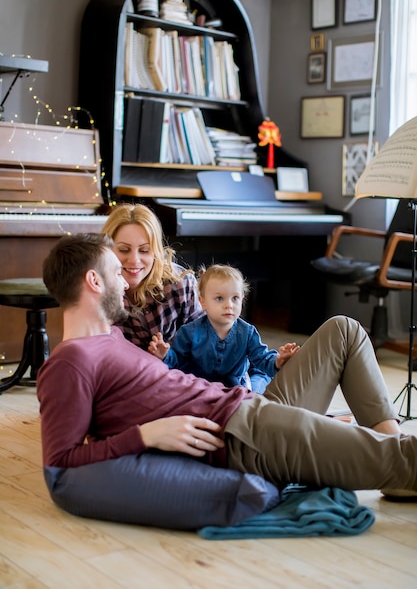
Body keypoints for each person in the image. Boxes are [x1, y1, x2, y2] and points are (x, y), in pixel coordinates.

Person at [38, 233, 417, 500]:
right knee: (407, 458)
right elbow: (60, 463)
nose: (125, 280)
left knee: (345, 330)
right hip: (241, 435)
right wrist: (146, 436)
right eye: (116, 271)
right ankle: (393, 457)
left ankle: (389, 443)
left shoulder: (111, 338)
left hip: (249, 405)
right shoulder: (69, 364)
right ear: (93, 281)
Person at [149, 264, 299, 392]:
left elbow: (261, 358)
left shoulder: (247, 332)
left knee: (259, 381)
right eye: (219, 298)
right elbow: (178, 361)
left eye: (235, 298)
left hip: (236, 386)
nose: (229, 305)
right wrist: (165, 355)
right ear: (203, 302)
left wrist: (278, 361)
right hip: (199, 385)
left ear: (242, 300)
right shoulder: (189, 332)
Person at [101, 203, 204, 351]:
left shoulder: (181, 284)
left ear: (155, 252)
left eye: (144, 250)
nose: (134, 260)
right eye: (124, 250)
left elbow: (203, 344)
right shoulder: (98, 292)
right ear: (106, 250)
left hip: (179, 372)